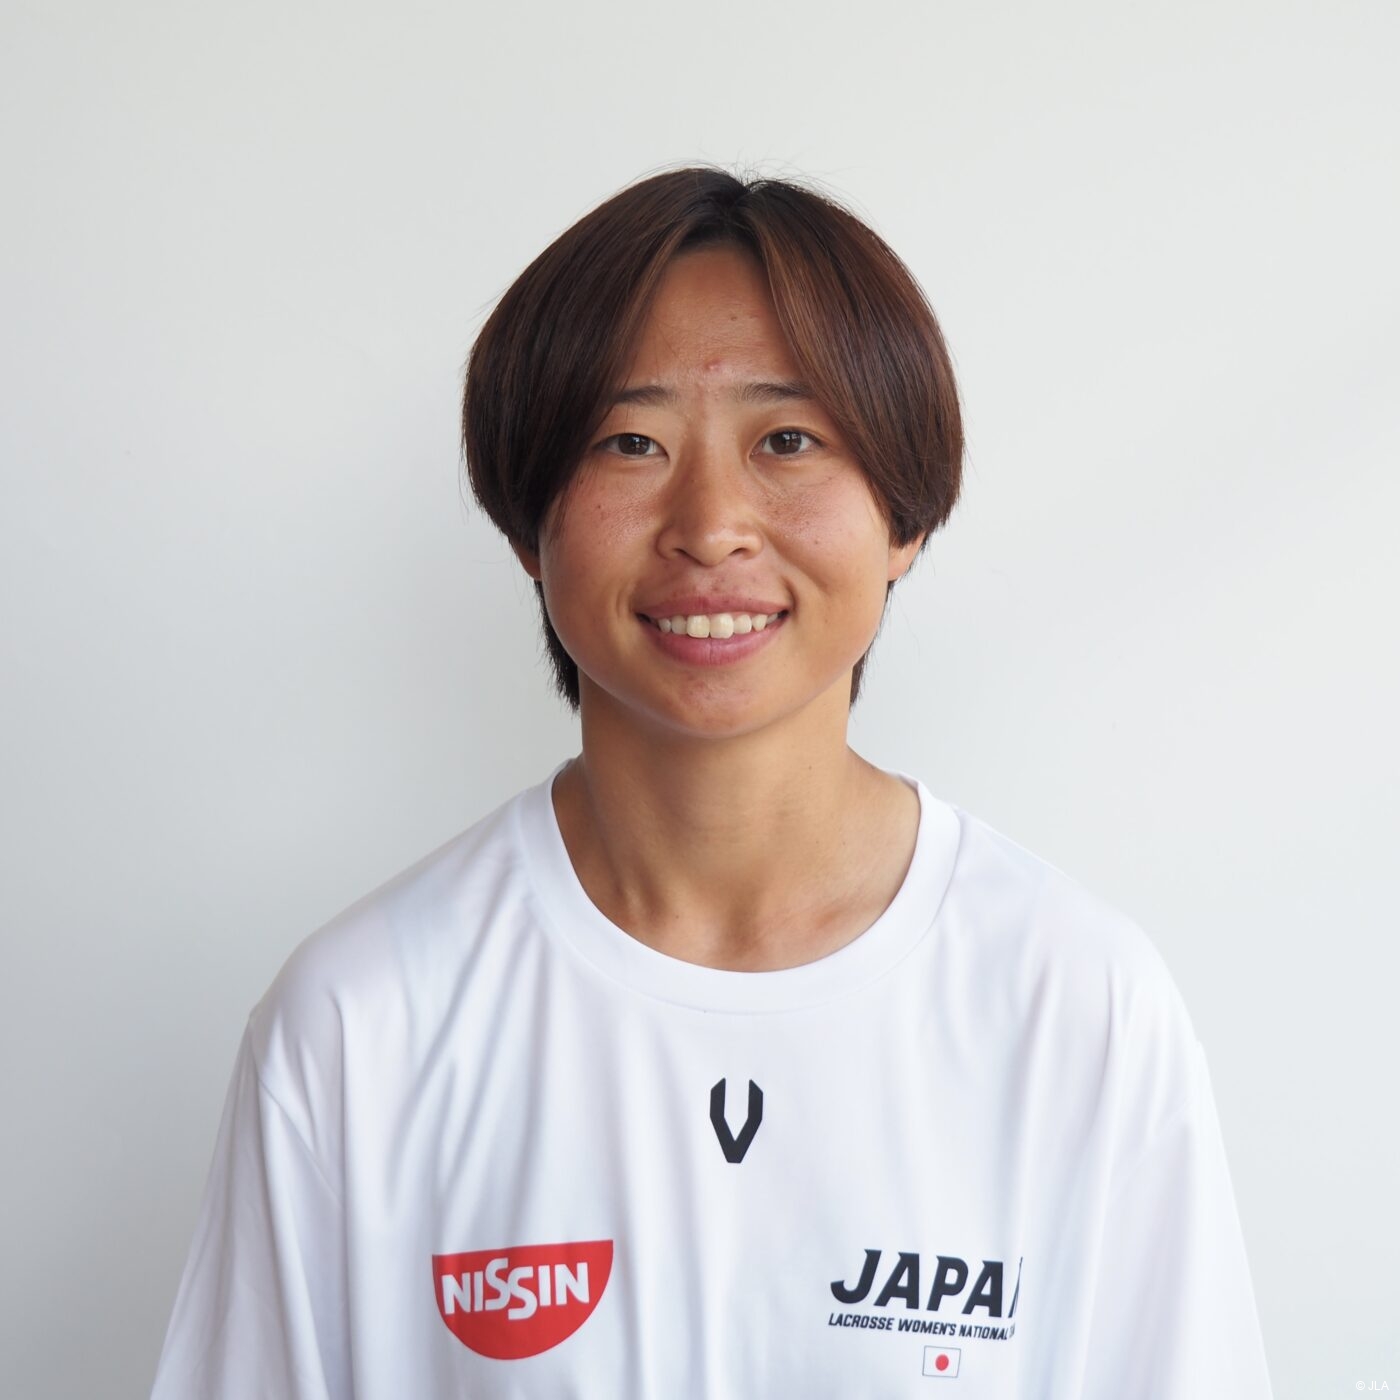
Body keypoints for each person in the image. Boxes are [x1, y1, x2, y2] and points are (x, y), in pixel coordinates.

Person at [149, 164, 1274, 1398]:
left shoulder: (1074, 1004)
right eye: (629, 442)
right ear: (526, 525)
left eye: (787, 440)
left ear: (903, 517)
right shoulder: (360, 1021)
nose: (710, 522)